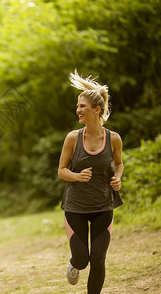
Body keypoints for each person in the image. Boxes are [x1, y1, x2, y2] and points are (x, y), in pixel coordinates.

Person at [57, 70, 124, 294]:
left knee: (98, 258)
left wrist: (118, 178)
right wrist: (77, 176)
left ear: (97, 110)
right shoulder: (73, 138)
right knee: (82, 258)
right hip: (75, 207)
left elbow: (119, 164)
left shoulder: (113, 138)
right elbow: (61, 171)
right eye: (77, 106)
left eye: (82, 106)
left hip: (103, 206)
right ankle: (74, 264)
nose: (78, 110)